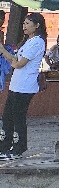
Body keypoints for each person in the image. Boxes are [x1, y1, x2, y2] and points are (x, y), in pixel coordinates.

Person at [0, 12, 47, 160]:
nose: (24, 26)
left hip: (25, 86)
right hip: (16, 85)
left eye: (27, 23)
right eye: (23, 23)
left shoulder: (37, 42)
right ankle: (5, 145)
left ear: (37, 25)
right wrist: (3, 51)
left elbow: (19, 64)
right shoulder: (28, 41)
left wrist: (9, 57)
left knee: (18, 118)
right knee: (7, 117)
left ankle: (19, 147)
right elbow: (14, 59)